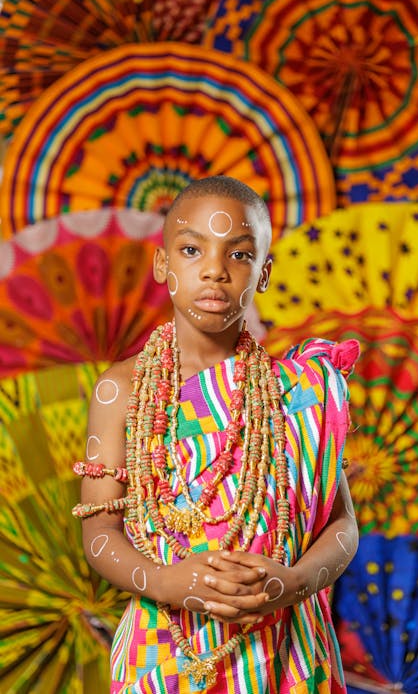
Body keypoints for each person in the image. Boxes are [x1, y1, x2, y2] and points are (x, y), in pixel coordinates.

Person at [73, 175, 360, 693]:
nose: (213, 270)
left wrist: (291, 584)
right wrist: (163, 581)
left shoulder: (298, 390)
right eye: (190, 248)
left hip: (285, 652)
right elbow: (99, 531)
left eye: (240, 254)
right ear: (164, 265)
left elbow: (342, 527)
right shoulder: (121, 391)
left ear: (264, 273)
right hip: (162, 652)